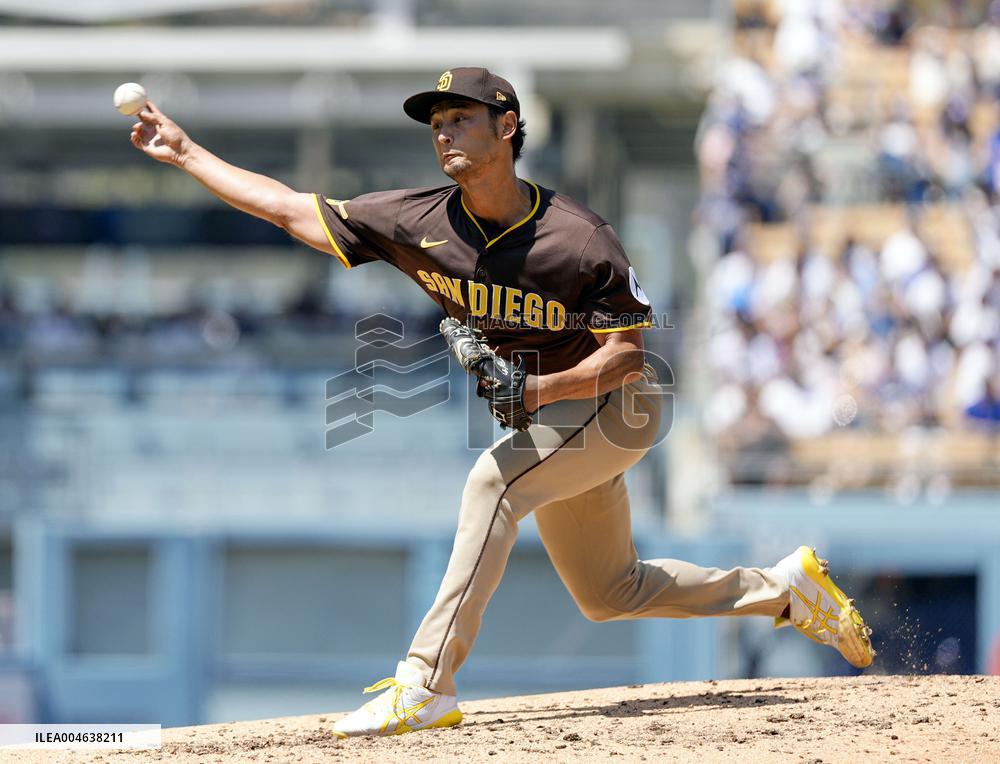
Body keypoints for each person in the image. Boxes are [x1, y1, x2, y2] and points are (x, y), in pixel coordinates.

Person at [129, 67, 874, 738]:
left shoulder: (578, 238)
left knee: (494, 482)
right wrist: (188, 153)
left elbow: (626, 357)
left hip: (622, 405)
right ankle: (785, 589)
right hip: (554, 420)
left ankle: (425, 684)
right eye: (436, 124)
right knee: (609, 591)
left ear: (507, 127)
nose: (445, 133)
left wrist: (538, 390)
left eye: (461, 118)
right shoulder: (415, 220)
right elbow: (293, 210)